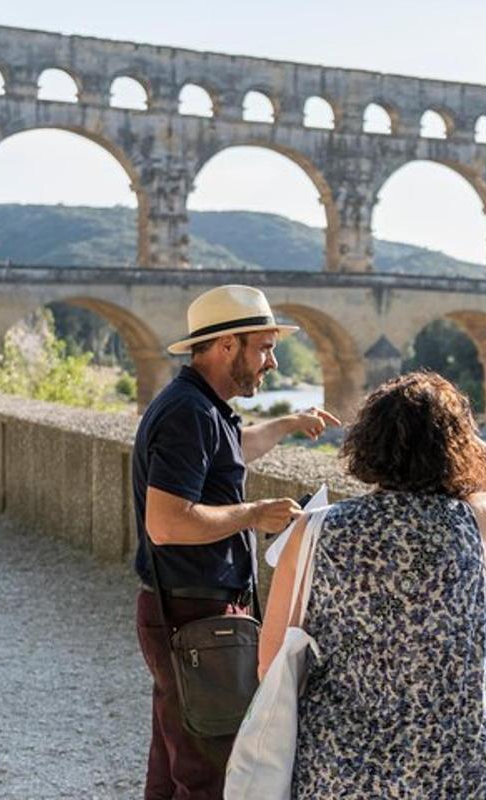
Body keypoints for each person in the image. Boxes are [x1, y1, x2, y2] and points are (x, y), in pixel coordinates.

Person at [258, 371, 486, 798]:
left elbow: (270, 663)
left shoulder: (314, 531)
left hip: (341, 766)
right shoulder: (476, 523)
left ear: (367, 443)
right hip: (458, 766)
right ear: (456, 448)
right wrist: (465, 437)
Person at [134, 284, 340, 800]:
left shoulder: (202, 407)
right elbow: (168, 523)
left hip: (187, 605)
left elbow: (233, 450)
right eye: (264, 347)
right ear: (227, 345)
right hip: (194, 611)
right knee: (210, 769)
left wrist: (289, 424)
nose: (271, 361)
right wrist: (255, 514)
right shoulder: (189, 415)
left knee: (174, 757)